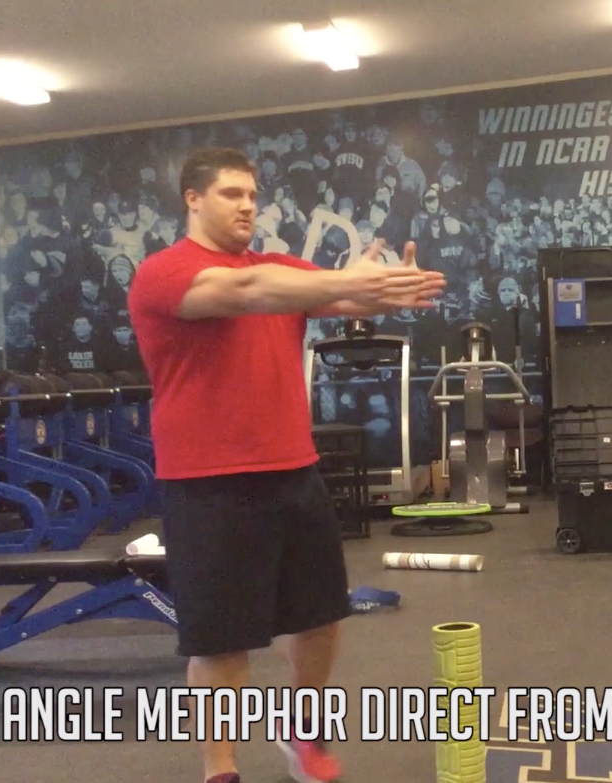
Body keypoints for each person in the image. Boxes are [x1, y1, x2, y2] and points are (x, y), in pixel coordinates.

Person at [127, 147, 444, 783]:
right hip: (207, 484)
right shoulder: (165, 272)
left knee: (322, 619)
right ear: (193, 198)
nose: (247, 205)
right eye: (231, 194)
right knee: (220, 641)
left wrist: (386, 289)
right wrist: (350, 282)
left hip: (294, 471)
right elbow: (246, 292)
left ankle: (303, 732)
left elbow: (346, 303)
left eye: (252, 195)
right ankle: (220, 769)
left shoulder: (281, 269)